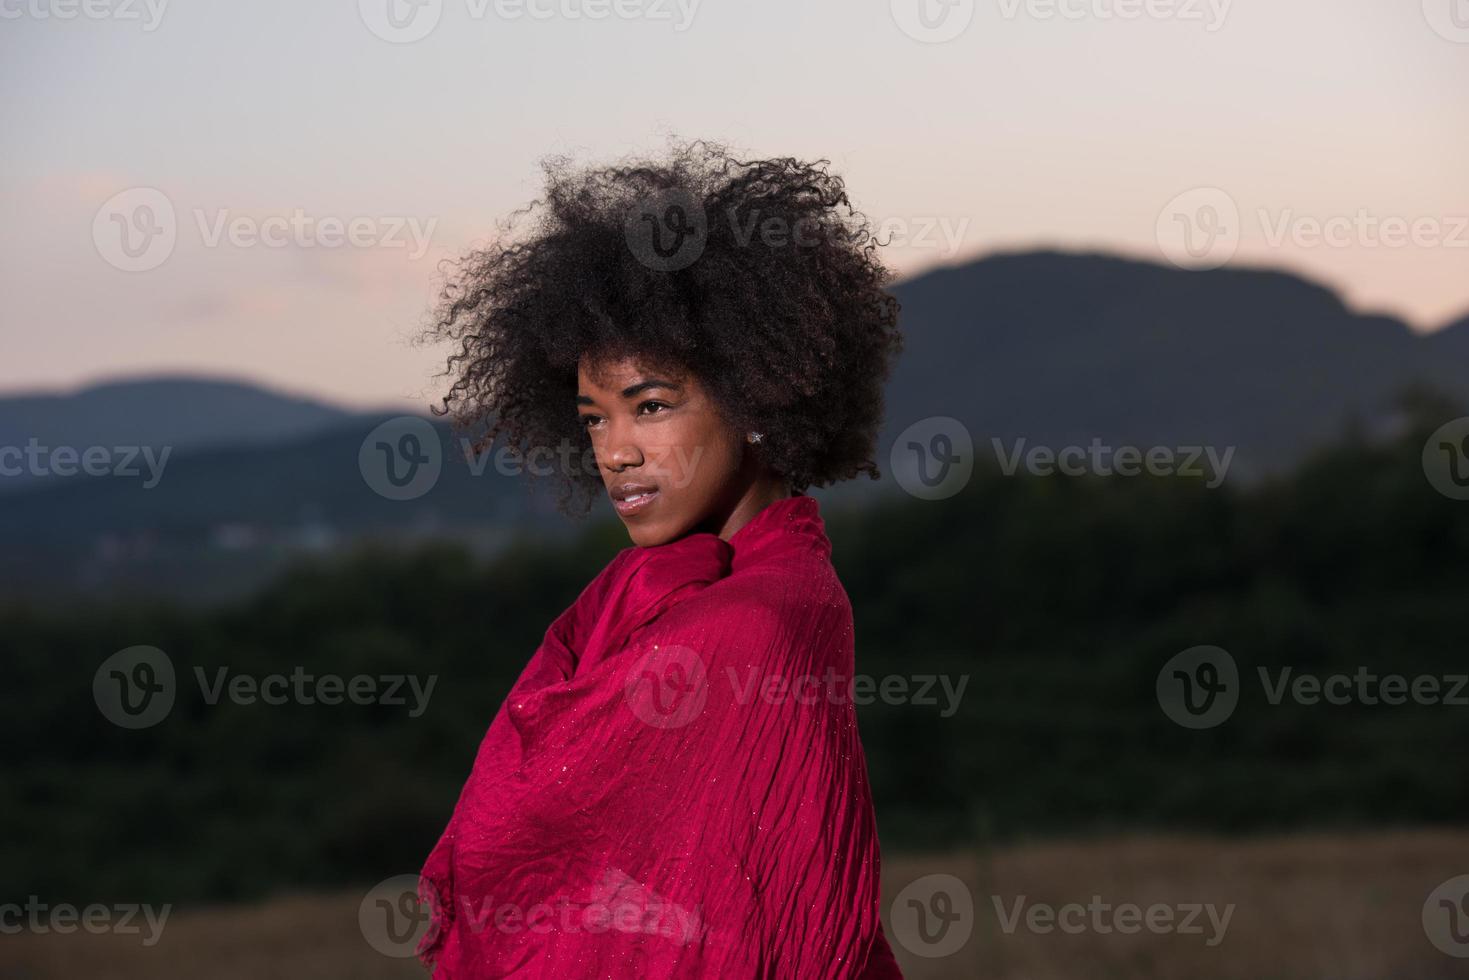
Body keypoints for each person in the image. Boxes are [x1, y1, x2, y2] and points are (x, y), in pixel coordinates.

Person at [417, 140, 905, 978]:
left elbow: (524, 840)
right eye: (594, 419)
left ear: (757, 393)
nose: (614, 451)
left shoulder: (749, 621)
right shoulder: (666, 590)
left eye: (649, 406)